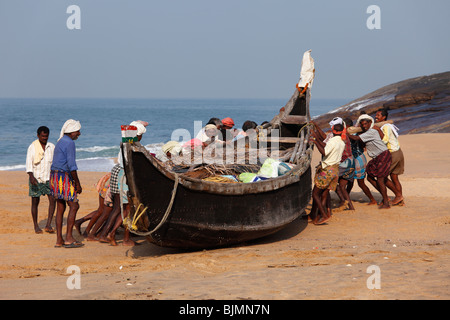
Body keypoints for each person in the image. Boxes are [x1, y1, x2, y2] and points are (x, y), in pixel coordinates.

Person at [349, 115, 402, 209]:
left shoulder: (371, 131)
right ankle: (395, 196)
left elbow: (356, 138)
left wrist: (344, 133)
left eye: (366, 124)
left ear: (370, 123)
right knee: (370, 177)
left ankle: (386, 202)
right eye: (362, 124)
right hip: (377, 157)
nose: (364, 126)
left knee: (381, 179)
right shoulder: (370, 131)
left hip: (383, 155)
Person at [50, 119, 83, 248]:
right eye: (78, 131)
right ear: (72, 132)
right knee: (74, 206)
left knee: (60, 207)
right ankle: (69, 237)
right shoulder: (69, 143)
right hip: (63, 177)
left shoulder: (60, 141)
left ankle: (59, 240)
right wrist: (77, 183)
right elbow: (71, 165)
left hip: (54, 176)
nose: (79, 133)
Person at [309, 123, 345, 224]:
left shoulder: (332, 141)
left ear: (332, 129)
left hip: (327, 170)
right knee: (324, 193)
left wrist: (315, 142)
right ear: (342, 131)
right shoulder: (341, 142)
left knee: (315, 194)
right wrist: (317, 139)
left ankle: (324, 215)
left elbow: (325, 152)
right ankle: (316, 216)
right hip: (335, 170)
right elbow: (327, 147)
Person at [26, 126, 56, 234]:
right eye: (42, 136)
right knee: (35, 202)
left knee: (53, 200)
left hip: (49, 178)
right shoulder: (32, 147)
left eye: (46, 136)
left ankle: (48, 225)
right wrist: (31, 177)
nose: (44, 138)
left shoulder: (51, 147)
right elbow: (29, 164)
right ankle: (36, 226)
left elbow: (54, 163)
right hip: (36, 178)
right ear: (38, 135)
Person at [344, 118, 377, 206]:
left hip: (358, 159)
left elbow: (360, 142)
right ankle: (344, 199)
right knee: (349, 181)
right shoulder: (347, 134)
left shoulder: (356, 133)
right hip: (352, 160)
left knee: (361, 183)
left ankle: (372, 199)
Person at [375, 109, 405, 205]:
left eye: (378, 115)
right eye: (376, 115)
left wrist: (378, 130)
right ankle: (400, 200)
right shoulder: (387, 126)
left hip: (393, 153)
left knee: (382, 176)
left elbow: (385, 140)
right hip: (398, 152)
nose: (376, 117)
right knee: (394, 177)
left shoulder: (386, 126)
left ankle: (397, 196)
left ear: (383, 117)